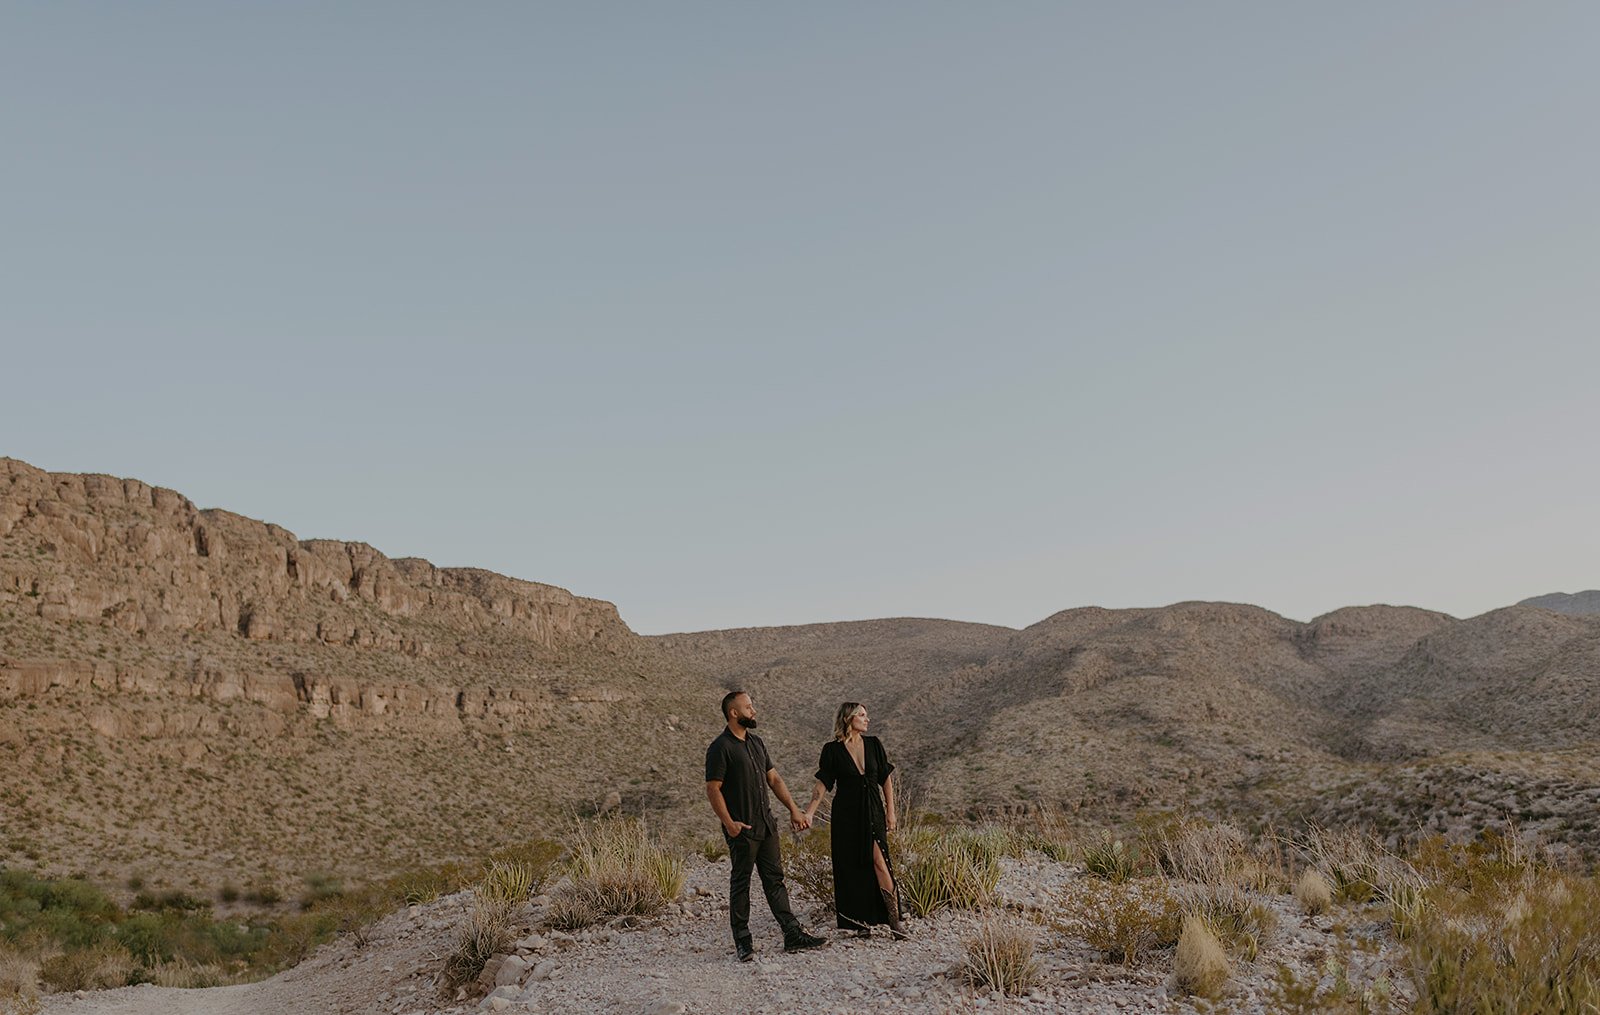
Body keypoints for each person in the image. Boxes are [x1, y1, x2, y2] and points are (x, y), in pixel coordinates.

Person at [705, 690, 828, 962]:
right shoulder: (720, 747)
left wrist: (795, 810)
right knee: (741, 883)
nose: (754, 711)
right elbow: (713, 789)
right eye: (748, 707)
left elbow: (774, 780)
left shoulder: (757, 743)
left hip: (767, 826)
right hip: (743, 828)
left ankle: (792, 934)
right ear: (733, 713)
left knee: (775, 881)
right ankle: (743, 942)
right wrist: (728, 823)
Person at [803, 701, 907, 939]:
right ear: (849, 718)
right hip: (846, 815)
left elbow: (886, 779)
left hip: (873, 810)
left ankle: (894, 921)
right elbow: (822, 786)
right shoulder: (832, 750)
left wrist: (891, 811)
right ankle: (860, 923)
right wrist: (809, 812)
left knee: (880, 862)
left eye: (866, 715)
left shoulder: (874, 744)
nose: (867, 719)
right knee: (851, 865)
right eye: (862, 715)